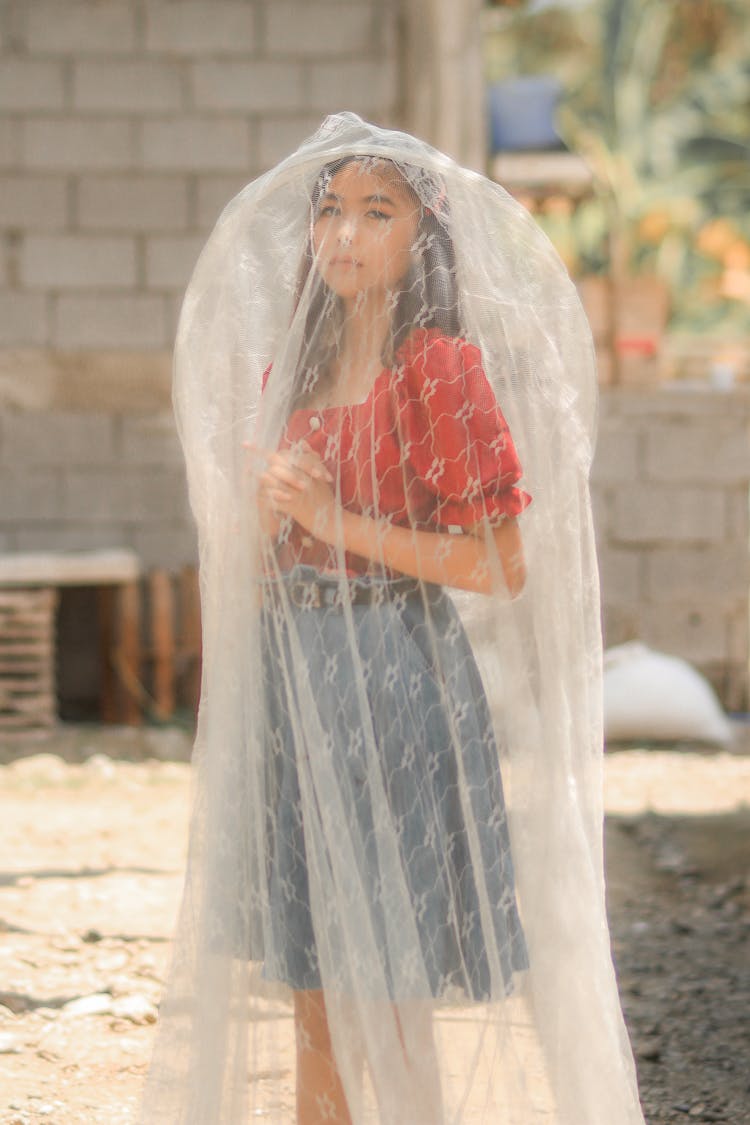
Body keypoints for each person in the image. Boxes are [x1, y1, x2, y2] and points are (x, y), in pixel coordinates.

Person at [141, 113, 646, 1125]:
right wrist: (267, 511)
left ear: (424, 235)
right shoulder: (290, 374)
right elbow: (248, 570)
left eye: (378, 211)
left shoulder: (440, 369)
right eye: (329, 211)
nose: (343, 234)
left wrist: (338, 520)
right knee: (313, 1001)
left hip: (394, 674)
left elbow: (502, 566)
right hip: (293, 676)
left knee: (390, 996)